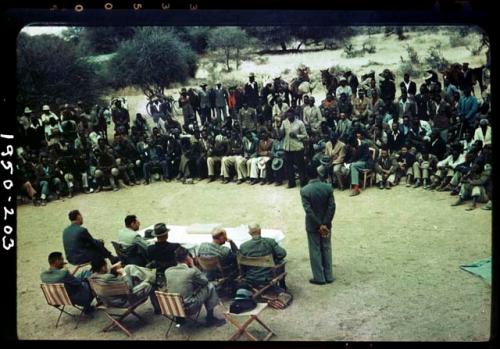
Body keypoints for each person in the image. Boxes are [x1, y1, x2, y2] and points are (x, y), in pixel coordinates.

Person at [165, 247, 226, 326]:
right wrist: (193, 265)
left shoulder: (168, 271)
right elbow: (205, 281)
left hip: (172, 307)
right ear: (187, 257)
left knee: (182, 289)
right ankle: (210, 319)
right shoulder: (191, 271)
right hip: (188, 308)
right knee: (209, 286)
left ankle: (180, 319)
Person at [300, 165, 335, 285]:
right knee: (326, 247)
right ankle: (329, 276)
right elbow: (331, 207)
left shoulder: (305, 190)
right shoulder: (328, 187)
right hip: (327, 224)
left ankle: (319, 277)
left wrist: (319, 224)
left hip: (313, 225)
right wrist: (325, 223)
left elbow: (308, 210)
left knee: (315, 250)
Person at [89, 258, 159, 313]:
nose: (107, 267)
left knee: (128, 267)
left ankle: (152, 276)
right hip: (125, 300)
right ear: (103, 267)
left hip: (111, 300)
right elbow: (128, 288)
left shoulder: (92, 277)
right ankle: (158, 308)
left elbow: (107, 278)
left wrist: (113, 268)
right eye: (106, 265)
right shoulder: (107, 278)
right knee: (148, 284)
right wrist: (123, 273)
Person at [239, 223, 287, 287]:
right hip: (268, 277)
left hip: (250, 277)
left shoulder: (243, 246)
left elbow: (242, 264)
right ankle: (282, 286)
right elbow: (282, 254)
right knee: (282, 261)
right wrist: (274, 258)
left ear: (249, 233)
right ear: (260, 231)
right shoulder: (270, 242)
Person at [280, 110, 309, 188]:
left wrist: (296, 136)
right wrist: (281, 131)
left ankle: (303, 183)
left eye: (290, 115)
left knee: (300, 166)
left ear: (294, 115)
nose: (289, 117)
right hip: (287, 147)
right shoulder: (284, 122)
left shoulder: (300, 123)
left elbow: (305, 135)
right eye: (288, 115)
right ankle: (291, 183)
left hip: (297, 147)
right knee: (289, 167)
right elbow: (281, 134)